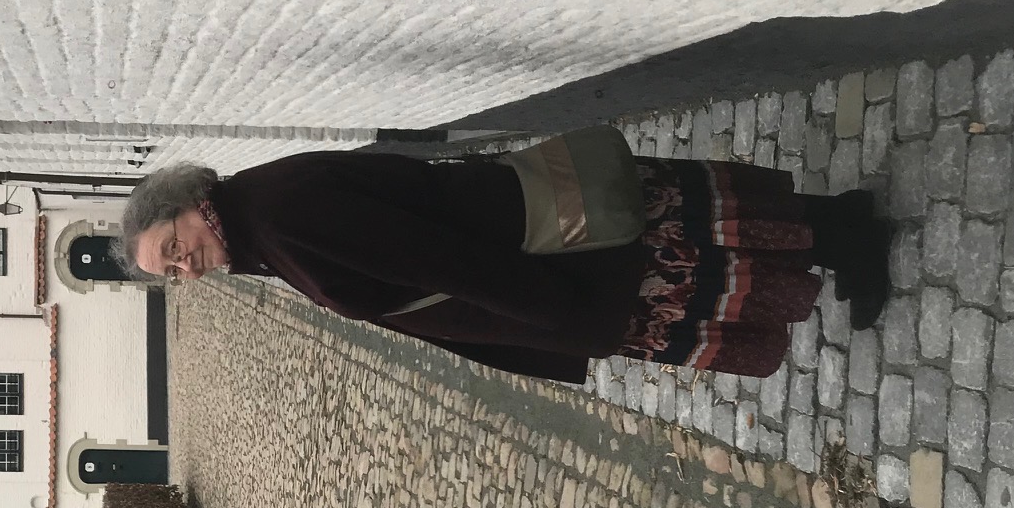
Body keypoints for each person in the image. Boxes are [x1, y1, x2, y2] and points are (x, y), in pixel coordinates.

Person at [121, 144, 891, 386]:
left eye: (172, 250)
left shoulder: (279, 215)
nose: (184, 268)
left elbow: (432, 256)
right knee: (698, 243)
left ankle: (845, 231)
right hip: (537, 252)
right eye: (171, 274)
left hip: (544, 252)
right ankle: (839, 228)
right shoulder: (257, 224)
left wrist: (544, 309)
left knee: (691, 248)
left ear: (186, 204)